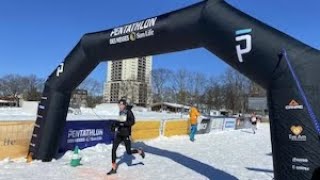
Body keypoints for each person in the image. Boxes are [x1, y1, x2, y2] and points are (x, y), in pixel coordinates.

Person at [107, 98, 145, 175]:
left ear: (125, 105)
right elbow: (120, 121)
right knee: (113, 149)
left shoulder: (129, 111)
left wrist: (123, 124)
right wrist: (114, 125)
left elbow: (132, 121)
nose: (120, 106)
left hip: (126, 134)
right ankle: (114, 168)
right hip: (119, 134)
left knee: (128, 152)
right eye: (119, 104)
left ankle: (140, 151)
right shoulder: (121, 112)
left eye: (122, 104)